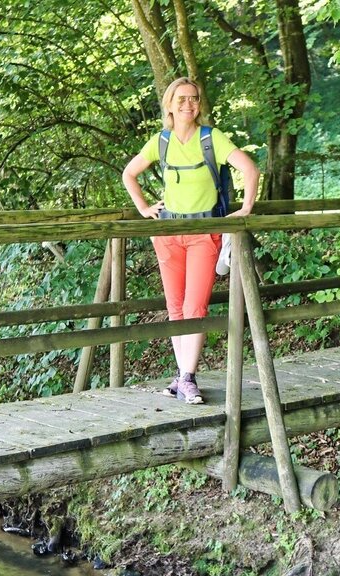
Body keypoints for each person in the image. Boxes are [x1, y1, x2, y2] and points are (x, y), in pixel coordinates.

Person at [122, 77, 260, 405]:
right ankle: (183, 374)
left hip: (203, 233)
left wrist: (246, 208)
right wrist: (143, 207)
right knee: (174, 307)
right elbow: (129, 173)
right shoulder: (161, 142)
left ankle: (187, 377)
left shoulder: (211, 138)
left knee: (194, 306)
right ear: (169, 104)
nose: (188, 104)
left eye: (194, 99)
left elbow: (250, 169)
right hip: (167, 233)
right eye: (181, 99)